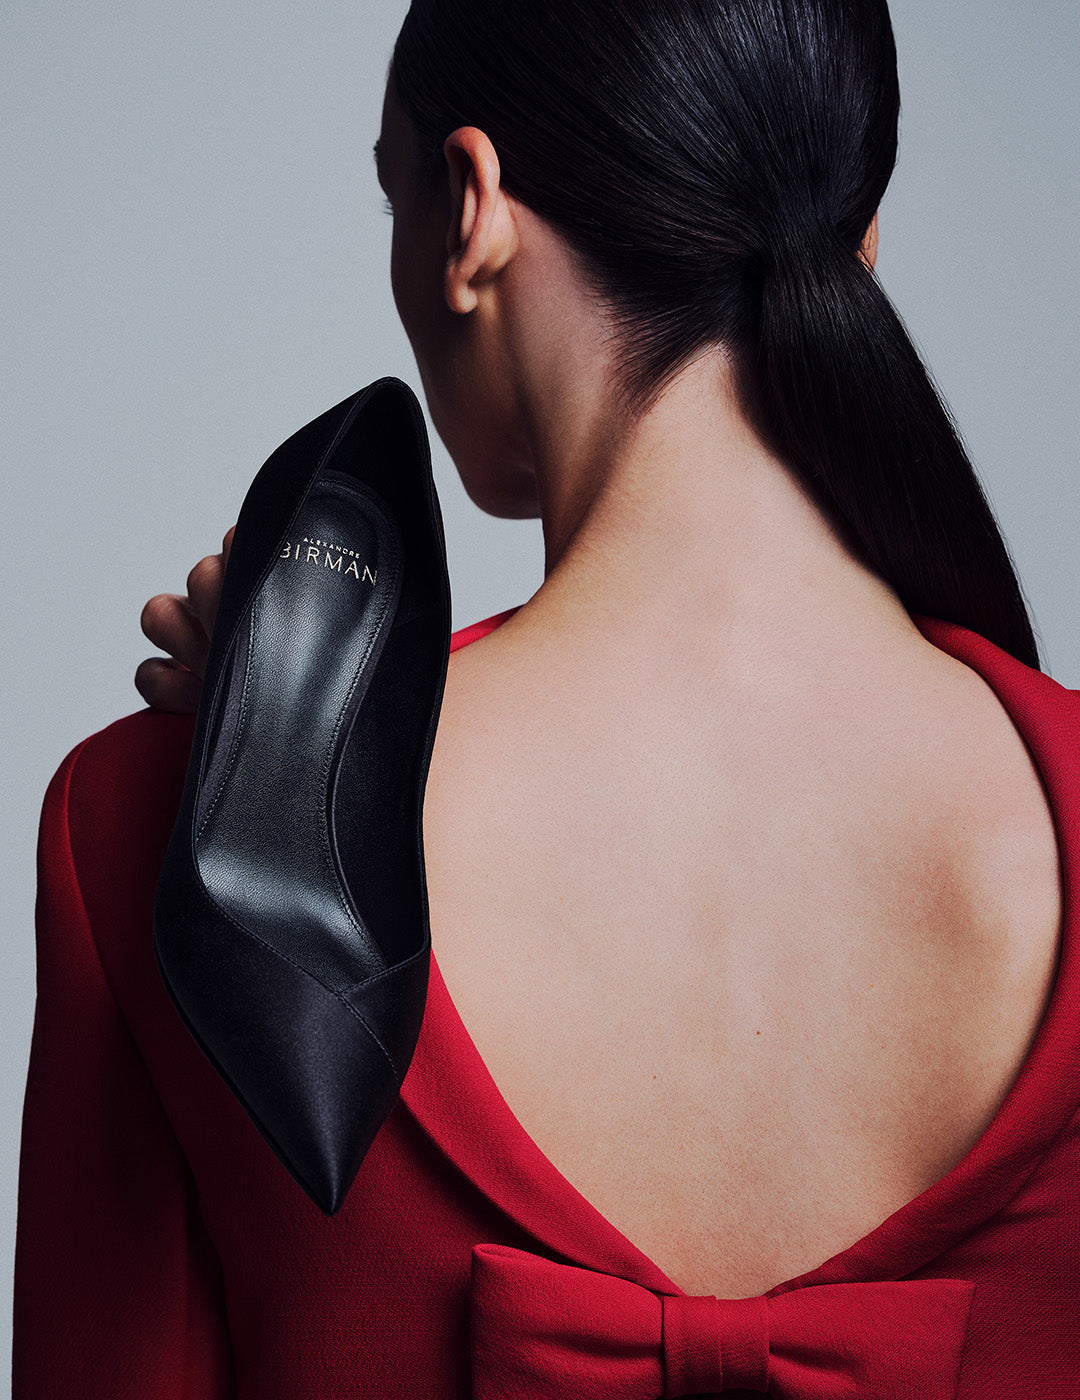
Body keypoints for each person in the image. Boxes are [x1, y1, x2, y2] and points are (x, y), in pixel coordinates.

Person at [14, 0, 1079, 1394]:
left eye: (395, 195)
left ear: (469, 209)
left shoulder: (157, 837)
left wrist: (245, 774)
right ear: (862, 244)